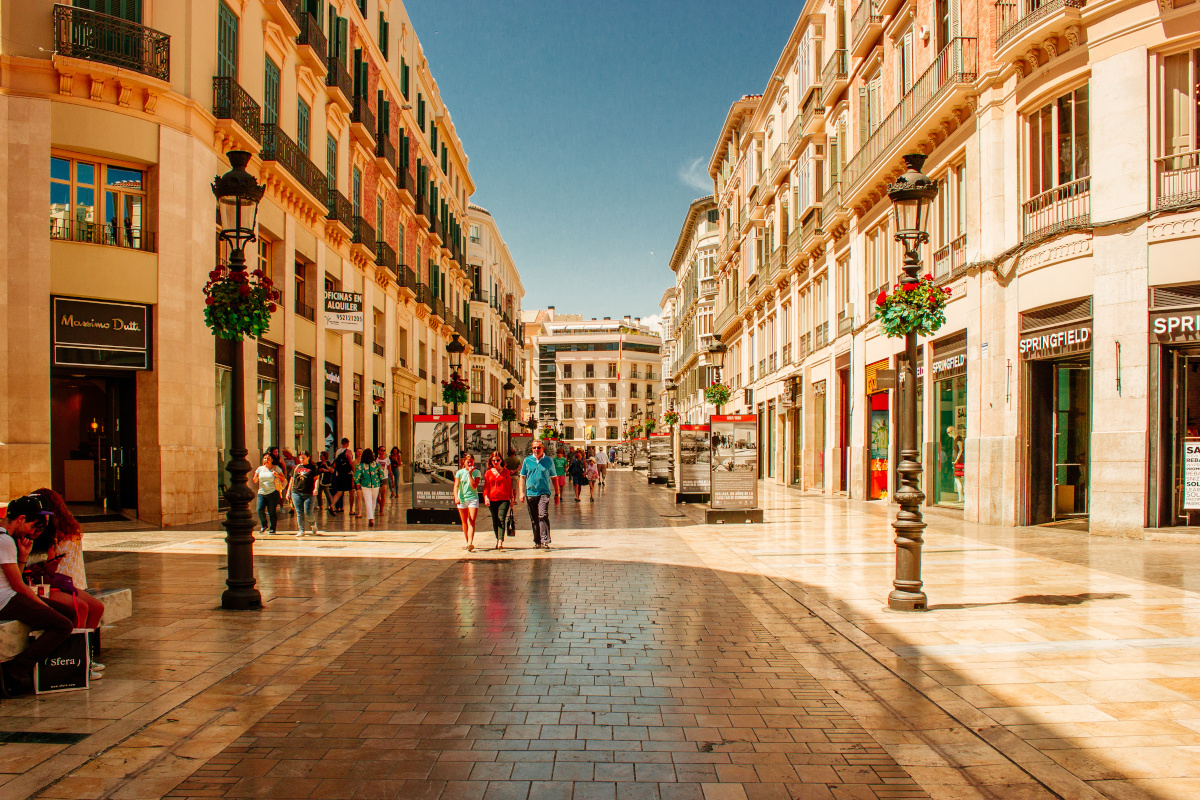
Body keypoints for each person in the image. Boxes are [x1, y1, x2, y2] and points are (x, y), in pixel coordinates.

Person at [23, 490, 106, 680]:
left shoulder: (51, 532)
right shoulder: (25, 535)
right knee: (81, 607)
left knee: (96, 606)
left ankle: (85, 656)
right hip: (38, 584)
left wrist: (50, 566)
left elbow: (50, 569)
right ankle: (72, 660)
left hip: (54, 581)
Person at [0, 495, 75, 696]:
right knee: (63, 624)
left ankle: (39, 670)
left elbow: (14, 578)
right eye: (34, 525)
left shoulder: (6, 538)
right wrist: (44, 606)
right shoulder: (5, 540)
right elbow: (18, 585)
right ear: (21, 518)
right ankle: (12, 671)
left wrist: (23, 557)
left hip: (10, 595)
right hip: (5, 600)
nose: (33, 532)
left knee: (68, 613)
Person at [519, 441, 556, 549]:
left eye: (538, 447)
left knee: (542, 515)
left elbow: (554, 478)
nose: (536, 449)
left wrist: (557, 494)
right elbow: (522, 477)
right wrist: (521, 492)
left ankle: (545, 540)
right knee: (534, 518)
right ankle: (537, 541)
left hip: (544, 492)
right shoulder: (527, 460)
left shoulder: (548, 461)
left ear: (543, 448)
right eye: (534, 448)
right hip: (530, 493)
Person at [481, 451, 514, 550]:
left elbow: (509, 486)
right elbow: (486, 486)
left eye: (498, 460)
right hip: (492, 499)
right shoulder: (488, 472)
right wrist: (486, 497)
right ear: (491, 461)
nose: (496, 462)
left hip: (504, 498)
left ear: (501, 461)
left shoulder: (506, 471)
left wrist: (512, 499)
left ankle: (500, 541)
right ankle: (498, 539)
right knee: (495, 520)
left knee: (501, 519)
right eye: (494, 460)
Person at [287, 452, 319, 536]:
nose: (302, 459)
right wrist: (288, 491)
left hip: (309, 493)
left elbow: (316, 479)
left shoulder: (313, 468)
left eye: (304, 458)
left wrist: (315, 488)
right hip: (296, 492)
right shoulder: (296, 467)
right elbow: (292, 480)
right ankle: (301, 530)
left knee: (308, 512)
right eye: (300, 458)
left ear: (308, 458)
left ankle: (312, 523)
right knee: (299, 512)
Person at [454, 453, 481, 551]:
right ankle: (467, 542)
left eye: (471, 462)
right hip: (462, 499)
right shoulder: (459, 473)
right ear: (464, 462)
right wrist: (456, 497)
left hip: (473, 498)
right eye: (468, 462)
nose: (470, 464)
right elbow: (456, 486)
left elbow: (474, 486)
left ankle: (470, 542)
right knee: (464, 521)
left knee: (472, 520)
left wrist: (470, 474)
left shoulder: (477, 472)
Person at [253, 453, 285, 534]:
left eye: (268, 458)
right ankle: (264, 525)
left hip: (272, 492)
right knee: (259, 510)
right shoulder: (259, 469)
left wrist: (277, 475)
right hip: (261, 492)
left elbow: (283, 478)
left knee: (272, 511)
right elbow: (255, 480)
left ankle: (273, 528)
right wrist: (256, 477)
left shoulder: (276, 468)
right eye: (264, 458)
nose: (266, 460)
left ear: (271, 460)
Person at [354, 449, 386, 527]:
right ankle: (371, 517)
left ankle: (370, 518)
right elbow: (382, 474)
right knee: (373, 501)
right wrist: (379, 480)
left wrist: (358, 483)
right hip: (375, 485)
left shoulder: (361, 465)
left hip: (365, 485)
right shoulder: (376, 464)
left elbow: (356, 476)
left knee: (368, 501)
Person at [331, 439, 355, 513]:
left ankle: (332, 505)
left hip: (339, 474)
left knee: (339, 491)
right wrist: (354, 471)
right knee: (351, 491)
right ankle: (351, 510)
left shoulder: (337, 451)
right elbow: (350, 462)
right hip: (347, 474)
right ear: (347, 443)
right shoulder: (348, 451)